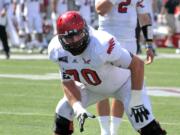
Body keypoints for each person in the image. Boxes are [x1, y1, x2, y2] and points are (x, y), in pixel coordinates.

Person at [48, 11, 166, 135]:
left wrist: (135, 100)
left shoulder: (101, 44)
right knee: (63, 110)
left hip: (124, 84)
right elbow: (68, 84)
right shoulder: (57, 51)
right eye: (69, 38)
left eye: (78, 34)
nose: (75, 40)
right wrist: (78, 108)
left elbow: (137, 65)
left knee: (145, 123)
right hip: (92, 88)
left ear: (85, 30)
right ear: (60, 38)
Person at [95, 0, 155, 134]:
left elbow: (144, 18)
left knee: (122, 86)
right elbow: (100, 9)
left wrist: (149, 44)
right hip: (106, 42)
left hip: (129, 43)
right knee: (101, 86)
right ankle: (104, 131)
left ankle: (113, 131)